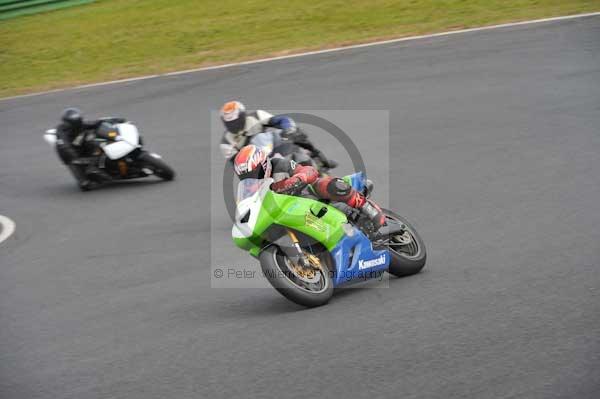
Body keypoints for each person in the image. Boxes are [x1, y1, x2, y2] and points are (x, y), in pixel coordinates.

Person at [233, 144, 384, 231]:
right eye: (245, 177)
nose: (251, 178)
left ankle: (369, 209)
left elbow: (309, 171)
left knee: (323, 184)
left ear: (263, 164)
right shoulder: (250, 191)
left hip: (311, 198)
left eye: (253, 173)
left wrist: (299, 178)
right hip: (291, 215)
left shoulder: (280, 165)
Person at [219, 100, 338, 169]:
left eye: (235, 121)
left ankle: (318, 158)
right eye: (230, 123)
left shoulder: (256, 116)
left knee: (297, 132)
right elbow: (236, 165)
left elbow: (280, 120)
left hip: (270, 145)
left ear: (243, 116)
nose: (233, 125)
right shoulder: (226, 143)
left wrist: (288, 129)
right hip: (255, 162)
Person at [55, 108, 125, 190]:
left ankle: (102, 164)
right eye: (75, 123)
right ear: (68, 123)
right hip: (68, 153)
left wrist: (115, 120)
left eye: (79, 121)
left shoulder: (80, 124)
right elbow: (65, 146)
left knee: (93, 139)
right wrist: (78, 159)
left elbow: (95, 123)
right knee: (84, 184)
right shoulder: (61, 131)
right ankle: (85, 176)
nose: (78, 124)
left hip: (79, 144)